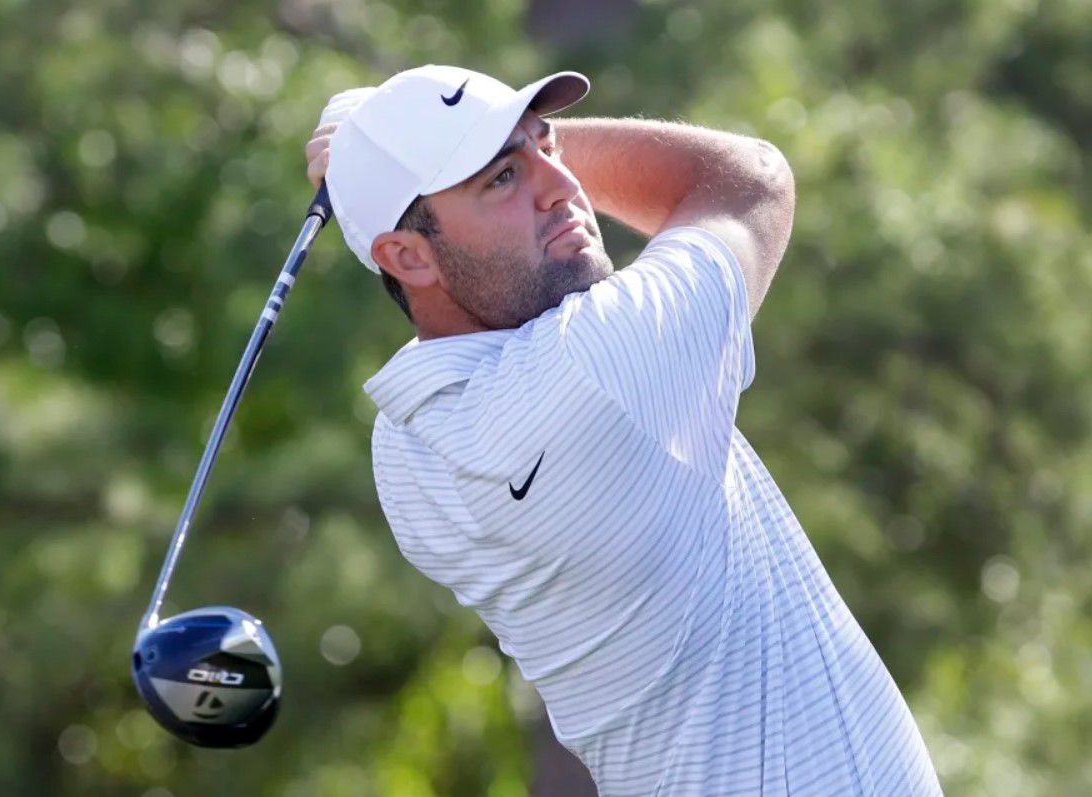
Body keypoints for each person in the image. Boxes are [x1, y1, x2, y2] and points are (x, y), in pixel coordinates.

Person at [305, 64, 942, 796]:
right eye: (504, 178)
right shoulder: (599, 367)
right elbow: (751, 179)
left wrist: (380, 159)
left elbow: (471, 298)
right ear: (407, 256)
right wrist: (376, 145)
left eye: (548, 145)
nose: (562, 182)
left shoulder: (404, 447)